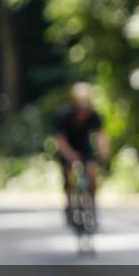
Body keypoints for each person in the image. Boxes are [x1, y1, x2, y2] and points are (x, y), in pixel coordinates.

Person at [54, 82, 110, 226]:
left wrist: (104, 150)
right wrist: (69, 154)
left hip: (85, 147)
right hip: (68, 147)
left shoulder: (93, 114)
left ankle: (93, 203)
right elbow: (60, 139)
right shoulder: (64, 115)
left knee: (92, 174)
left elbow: (100, 135)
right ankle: (69, 204)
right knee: (67, 175)